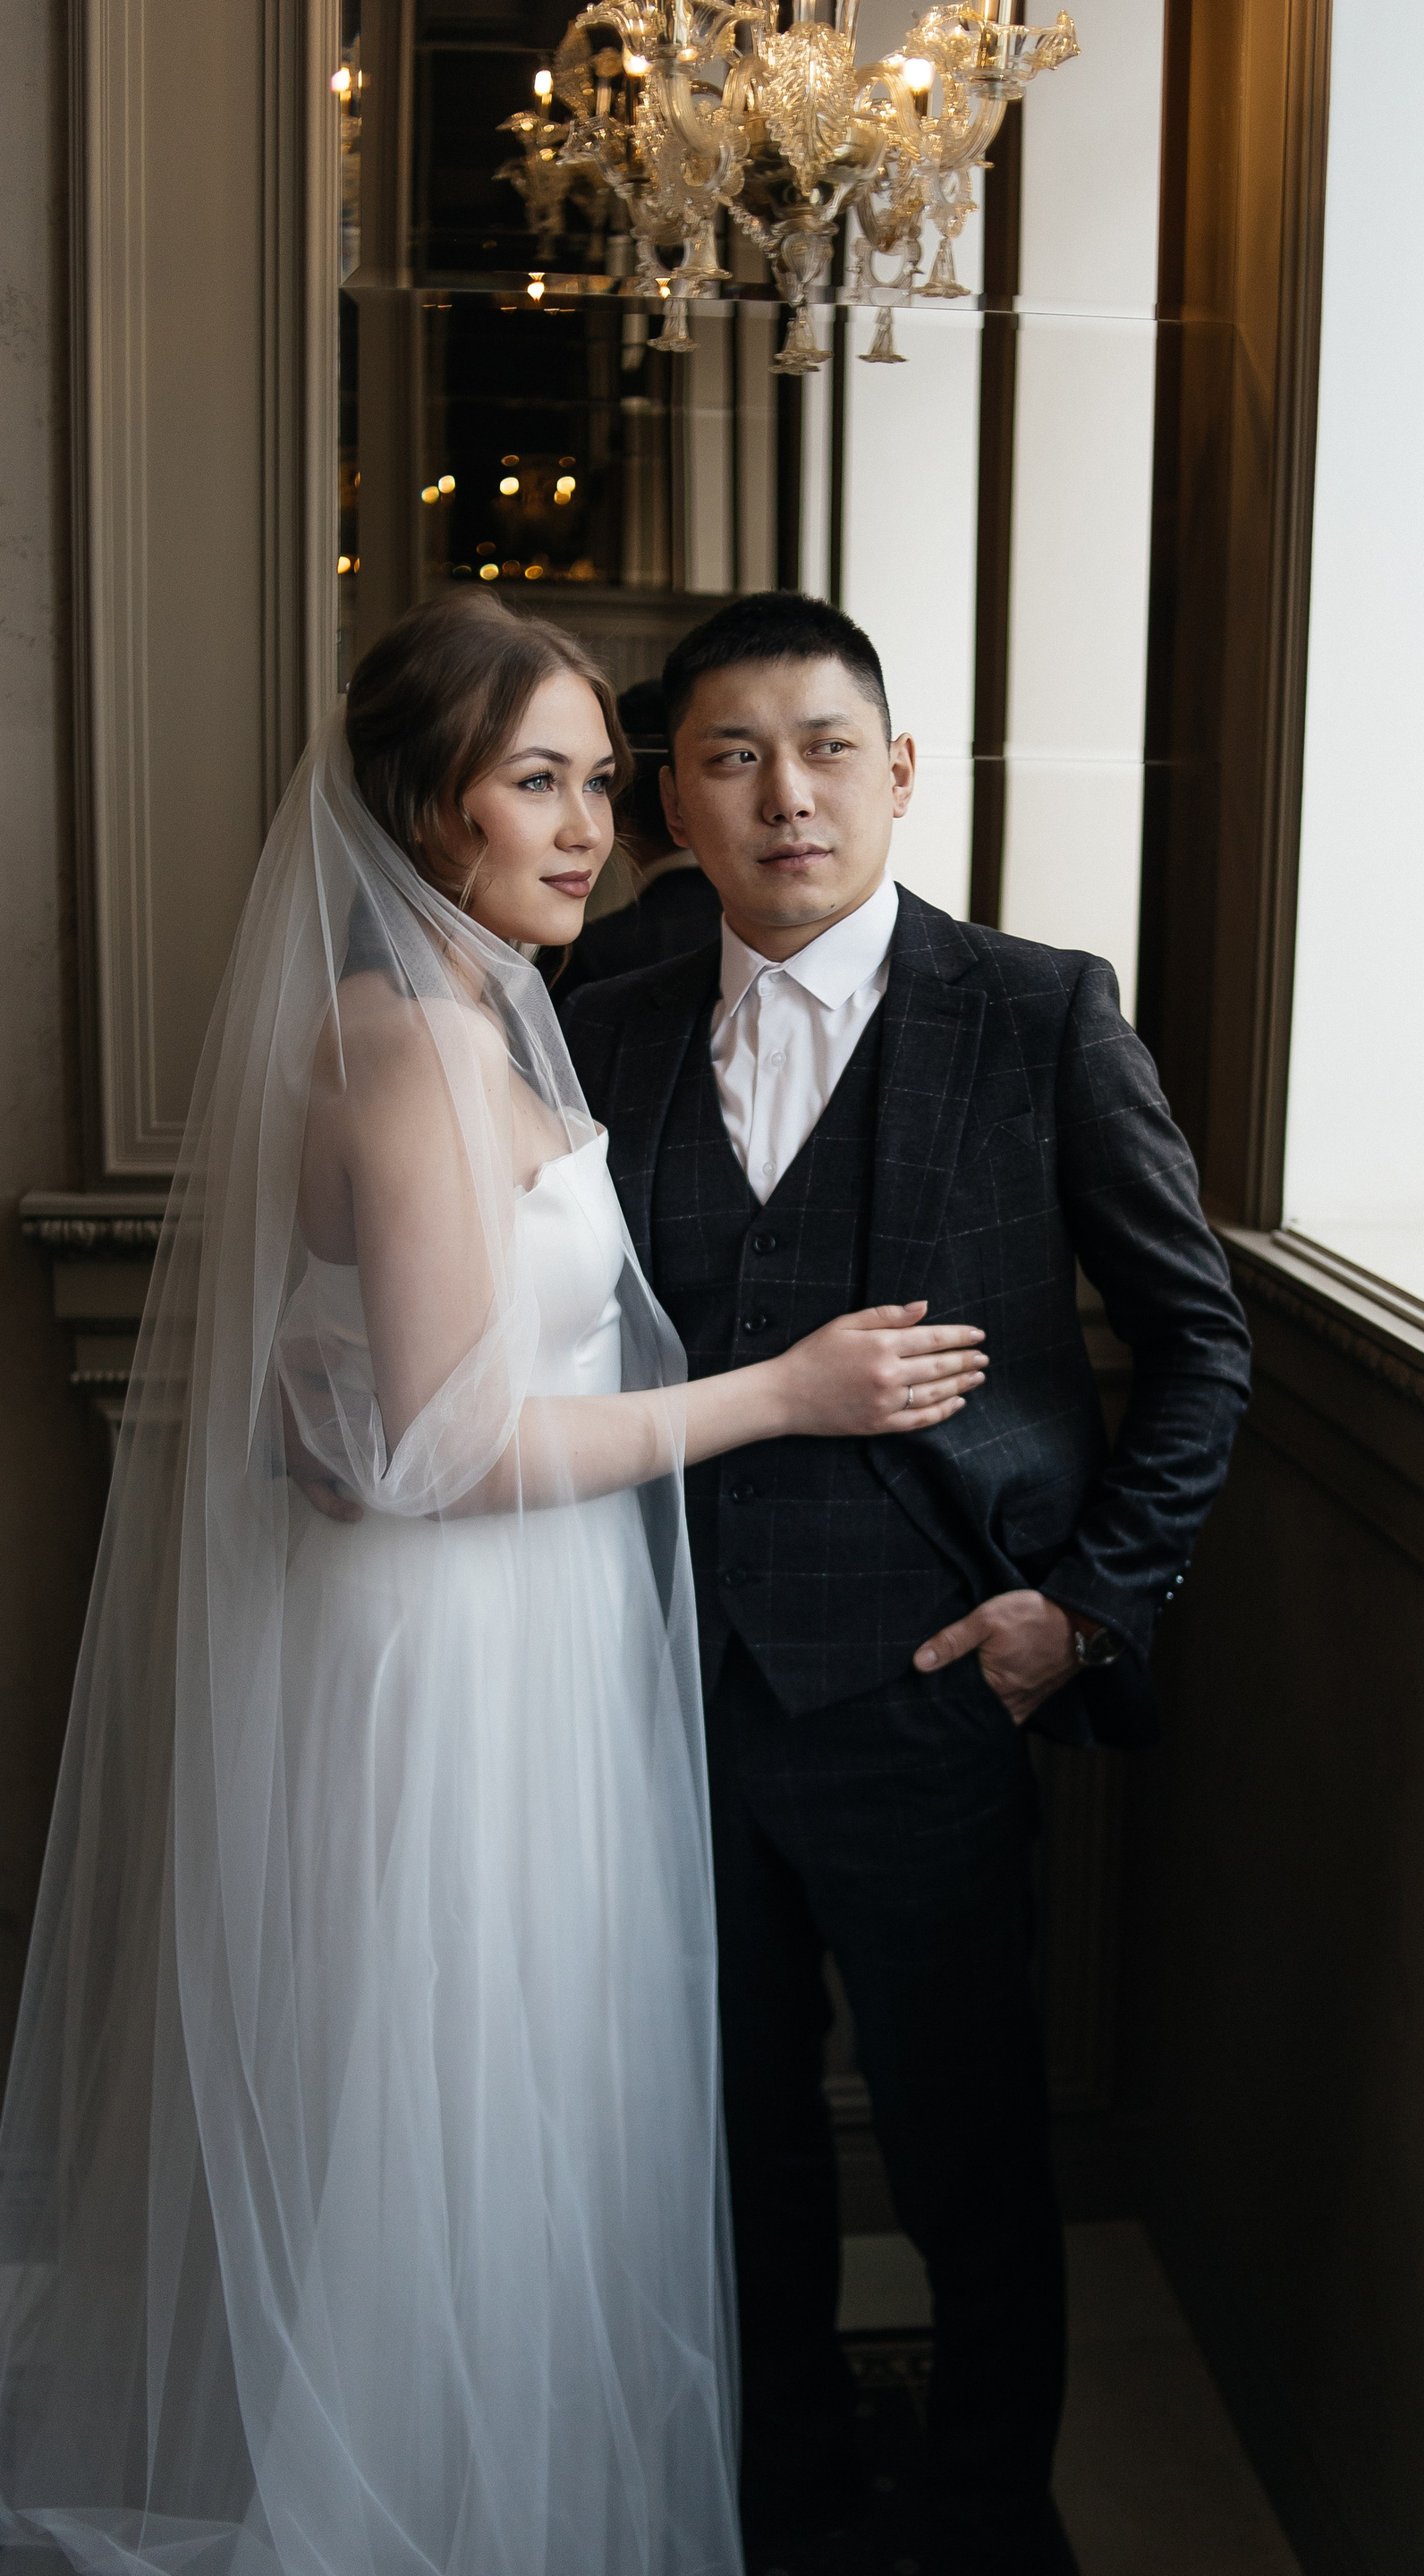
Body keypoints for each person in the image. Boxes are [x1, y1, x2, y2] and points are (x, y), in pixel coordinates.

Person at [0, 591, 989, 2576]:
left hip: (527, 1632)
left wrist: (339, 1410)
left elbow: (370, 1379)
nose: (588, 828)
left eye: (600, 783)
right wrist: (781, 1393)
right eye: (536, 783)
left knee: (520, 2097)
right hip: (448, 1654)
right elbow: (450, 1451)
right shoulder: (407, 1050)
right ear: (421, 806)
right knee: (437, 2091)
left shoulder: (482, 1016)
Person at [557, 592, 1253, 2576]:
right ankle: (773, 2502)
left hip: (937, 1692)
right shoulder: (597, 1016)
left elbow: (1201, 1345)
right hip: (658, 1695)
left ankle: (984, 2518)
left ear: (900, 773)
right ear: (672, 805)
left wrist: (1084, 1611)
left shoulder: (1040, 1014)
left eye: (826, 750)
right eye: (732, 758)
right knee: (724, 2150)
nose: (787, 795)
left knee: (969, 2157)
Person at [549, 676, 723, 990]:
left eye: (598, 783)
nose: (587, 831)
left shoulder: (586, 955)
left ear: (618, 809)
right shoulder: (766, 937)